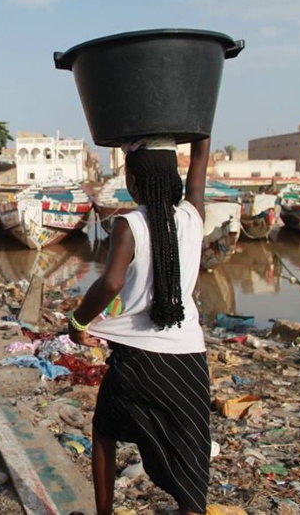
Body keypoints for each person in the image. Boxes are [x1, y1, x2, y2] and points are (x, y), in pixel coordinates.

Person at [68, 136, 211, 515]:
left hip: (138, 360)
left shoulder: (128, 225)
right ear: (175, 179)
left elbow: (111, 283)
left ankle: (104, 513)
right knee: (191, 453)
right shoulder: (194, 216)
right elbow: (199, 171)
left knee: (105, 430)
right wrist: (199, 124)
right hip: (189, 360)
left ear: (132, 183)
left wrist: (78, 320)